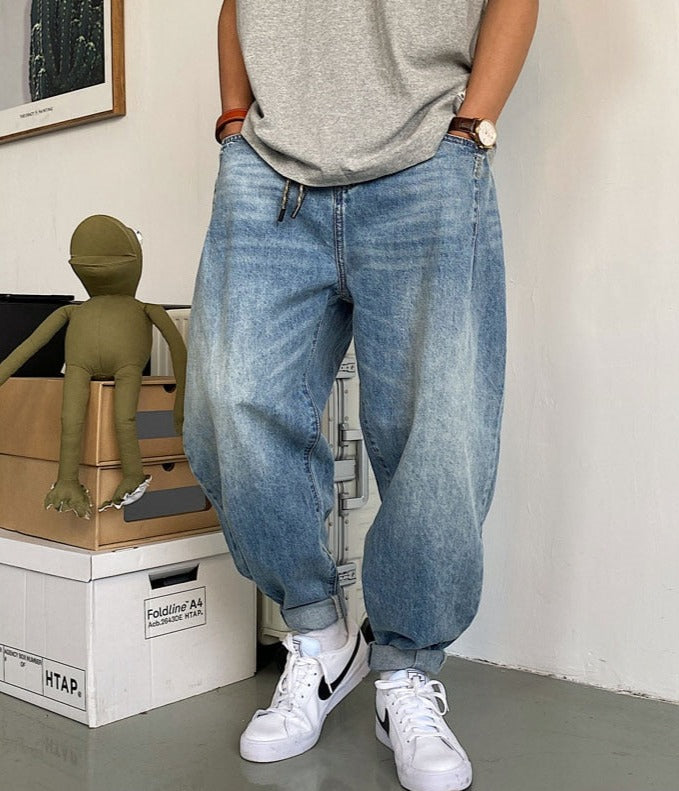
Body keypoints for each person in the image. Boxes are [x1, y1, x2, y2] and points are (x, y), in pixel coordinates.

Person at [183, 1, 538, 788]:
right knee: (228, 405)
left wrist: (471, 126)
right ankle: (319, 638)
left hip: (428, 158)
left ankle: (404, 670)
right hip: (268, 168)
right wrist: (234, 121)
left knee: (438, 429)